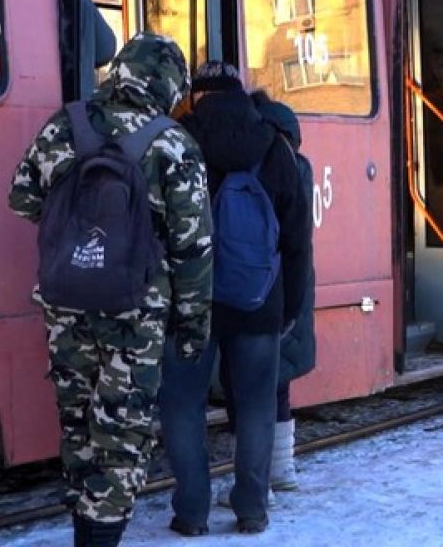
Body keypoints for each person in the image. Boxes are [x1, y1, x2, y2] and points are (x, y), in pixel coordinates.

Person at [8, 33, 212, 547]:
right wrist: (191, 327)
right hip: (136, 314)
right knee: (120, 438)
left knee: (78, 429)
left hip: (66, 304)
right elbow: (194, 249)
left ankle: (85, 534)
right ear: (168, 83)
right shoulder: (171, 143)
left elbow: (21, 199)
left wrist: (80, 233)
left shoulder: (65, 124)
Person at [158, 61, 312, 536]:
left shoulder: (175, 143)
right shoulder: (271, 145)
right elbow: (296, 238)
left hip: (189, 300)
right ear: (239, 93)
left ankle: (191, 512)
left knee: (183, 406)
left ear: (196, 97)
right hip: (259, 299)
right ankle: (251, 508)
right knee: (256, 406)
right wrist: (289, 306)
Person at [250, 90, 317, 491]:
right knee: (279, 384)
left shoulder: (252, 165)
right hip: (295, 285)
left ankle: (258, 479)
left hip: (256, 286)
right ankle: (282, 470)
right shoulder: (300, 165)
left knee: (252, 388)